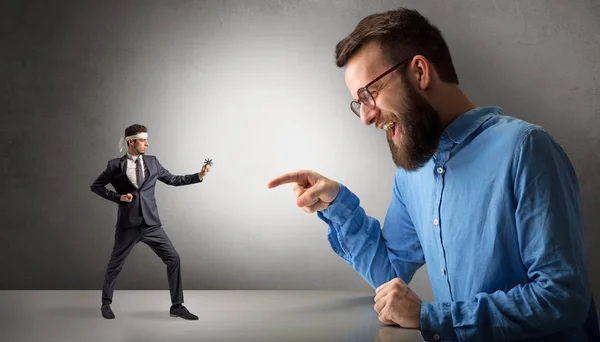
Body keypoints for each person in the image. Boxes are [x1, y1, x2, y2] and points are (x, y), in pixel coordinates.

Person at [267, 7, 599, 341]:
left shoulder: (527, 149)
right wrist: (336, 203)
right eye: (358, 103)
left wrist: (431, 317)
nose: (366, 117)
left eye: (369, 94)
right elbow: (391, 271)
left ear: (420, 72)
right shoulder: (413, 174)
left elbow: (562, 297)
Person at [91, 124, 210, 320]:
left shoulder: (153, 162)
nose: (148, 143)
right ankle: (106, 304)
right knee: (115, 264)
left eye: (147, 139)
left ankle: (177, 306)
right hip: (127, 226)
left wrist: (199, 176)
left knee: (173, 258)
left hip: (151, 225)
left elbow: (173, 179)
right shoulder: (114, 165)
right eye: (143, 140)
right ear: (131, 141)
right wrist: (118, 197)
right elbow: (96, 186)